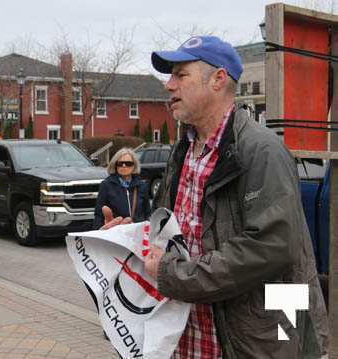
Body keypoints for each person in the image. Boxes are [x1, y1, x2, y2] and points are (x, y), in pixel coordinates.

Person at [106, 36, 328, 358]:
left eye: (180, 75)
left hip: (254, 342)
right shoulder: (182, 151)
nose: (168, 86)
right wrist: (124, 237)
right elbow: (171, 232)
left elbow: (269, 248)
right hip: (188, 338)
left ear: (218, 79)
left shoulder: (261, 151)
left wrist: (174, 275)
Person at [93, 147, 150, 229]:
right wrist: (98, 233)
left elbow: (147, 213)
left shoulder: (141, 185)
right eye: (120, 163)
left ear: (134, 166)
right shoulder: (106, 185)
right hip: (115, 232)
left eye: (128, 163)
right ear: (115, 165)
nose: (124, 165)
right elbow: (99, 214)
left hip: (137, 232)